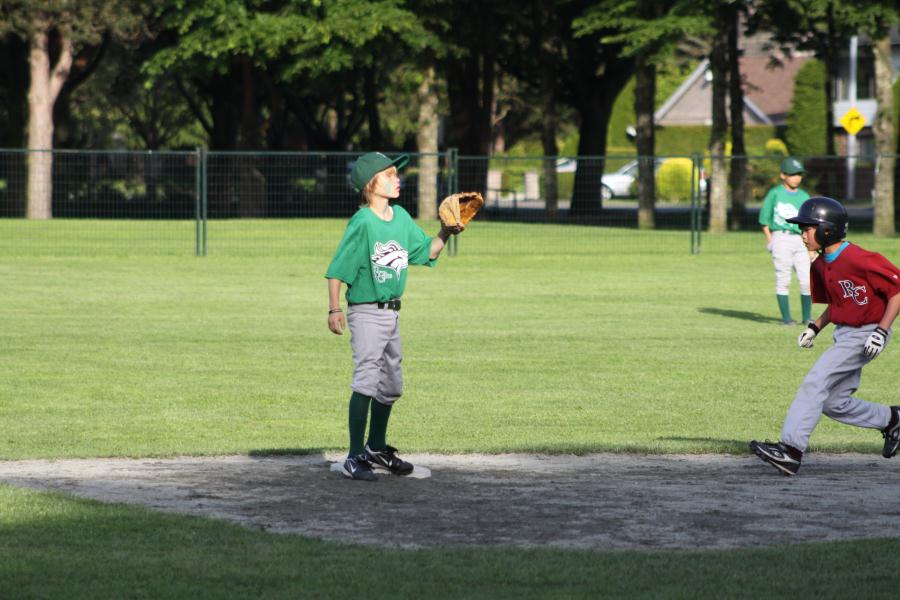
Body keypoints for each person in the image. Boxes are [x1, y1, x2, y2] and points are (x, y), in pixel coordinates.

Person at [325, 152, 452, 481]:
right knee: (367, 380)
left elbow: (427, 251)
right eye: (390, 174)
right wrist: (334, 308)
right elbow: (337, 269)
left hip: (392, 313)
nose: (397, 179)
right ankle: (354, 456)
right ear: (371, 184)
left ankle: (376, 448)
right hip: (366, 311)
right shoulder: (363, 222)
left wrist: (446, 231)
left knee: (392, 384)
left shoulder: (401, 218)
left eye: (397, 174)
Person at [750, 197, 900, 476]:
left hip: (866, 333)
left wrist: (881, 331)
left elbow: (896, 291)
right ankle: (892, 419)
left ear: (827, 230)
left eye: (808, 228)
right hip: (845, 334)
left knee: (816, 381)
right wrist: (815, 327)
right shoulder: (820, 265)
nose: (802, 234)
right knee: (833, 402)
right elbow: (839, 304)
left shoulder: (859, 258)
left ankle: (791, 450)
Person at [758, 156, 812, 325]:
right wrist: (770, 240)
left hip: (801, 239)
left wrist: (811, 247)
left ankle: (807, 318)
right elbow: (764, 220)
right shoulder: (775, 193)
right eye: (792, 174)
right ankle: (786, 319)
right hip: (781, 237)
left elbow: (810, 223)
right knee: (784, 278)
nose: (796, 177)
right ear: (783, 175)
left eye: (799, 174)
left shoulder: (804, 196)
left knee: (806, 280)